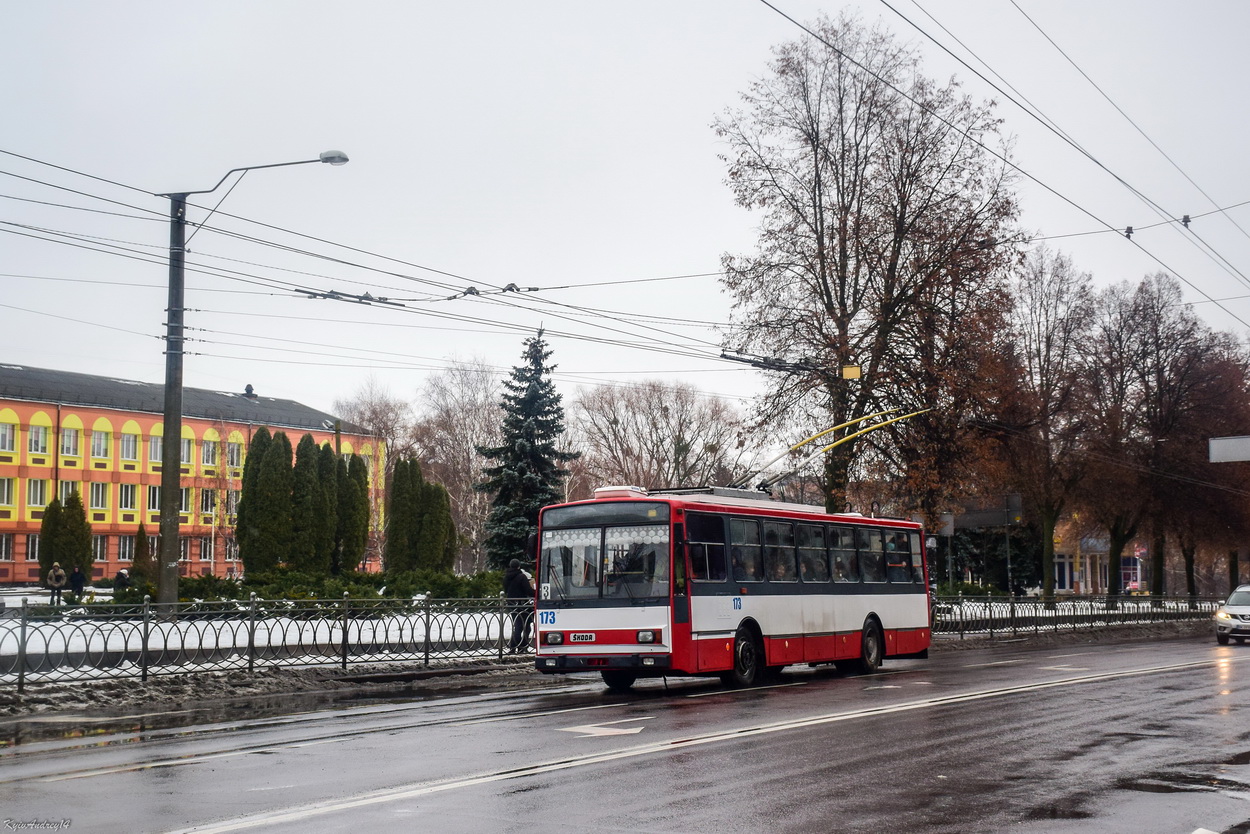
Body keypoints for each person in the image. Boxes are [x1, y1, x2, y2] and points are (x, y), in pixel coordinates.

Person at [503, 558, 535, 654]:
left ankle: (513, 647)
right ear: (519, 566)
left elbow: (506, 591)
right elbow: (528, 590)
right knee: (526, 626)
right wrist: (537, 592)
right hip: (523, 605)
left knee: (517, 626)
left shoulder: (506, 577)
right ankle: (522, 647)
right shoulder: (521, 577)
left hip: (512, 604)